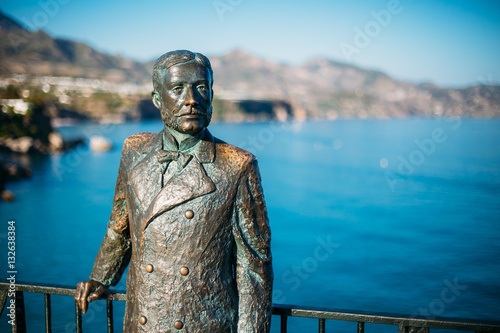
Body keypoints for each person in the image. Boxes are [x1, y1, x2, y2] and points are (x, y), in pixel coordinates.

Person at [75, 50, 273, 332]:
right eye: (178, 89)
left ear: (211, 96)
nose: (191, 99)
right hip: (141, 320)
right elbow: (121, 225)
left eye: (201, 88)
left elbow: (254, 266)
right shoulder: (134, 149)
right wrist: (101, 278)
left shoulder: (237, 165)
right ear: (157, 98)